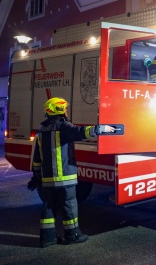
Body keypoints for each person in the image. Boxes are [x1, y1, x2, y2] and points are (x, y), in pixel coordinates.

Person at [31, 97, 115, 248]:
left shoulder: (41, 131)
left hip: (47, 179)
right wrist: (102, 129)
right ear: (59, 110)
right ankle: (72, 235)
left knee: (49, 206)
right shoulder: (63, 127)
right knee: (69, 205)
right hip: (65, 178)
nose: (66, 110)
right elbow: (81, 132)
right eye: (64, 108)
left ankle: (47, 238)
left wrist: (36, 176)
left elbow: (37, 158)